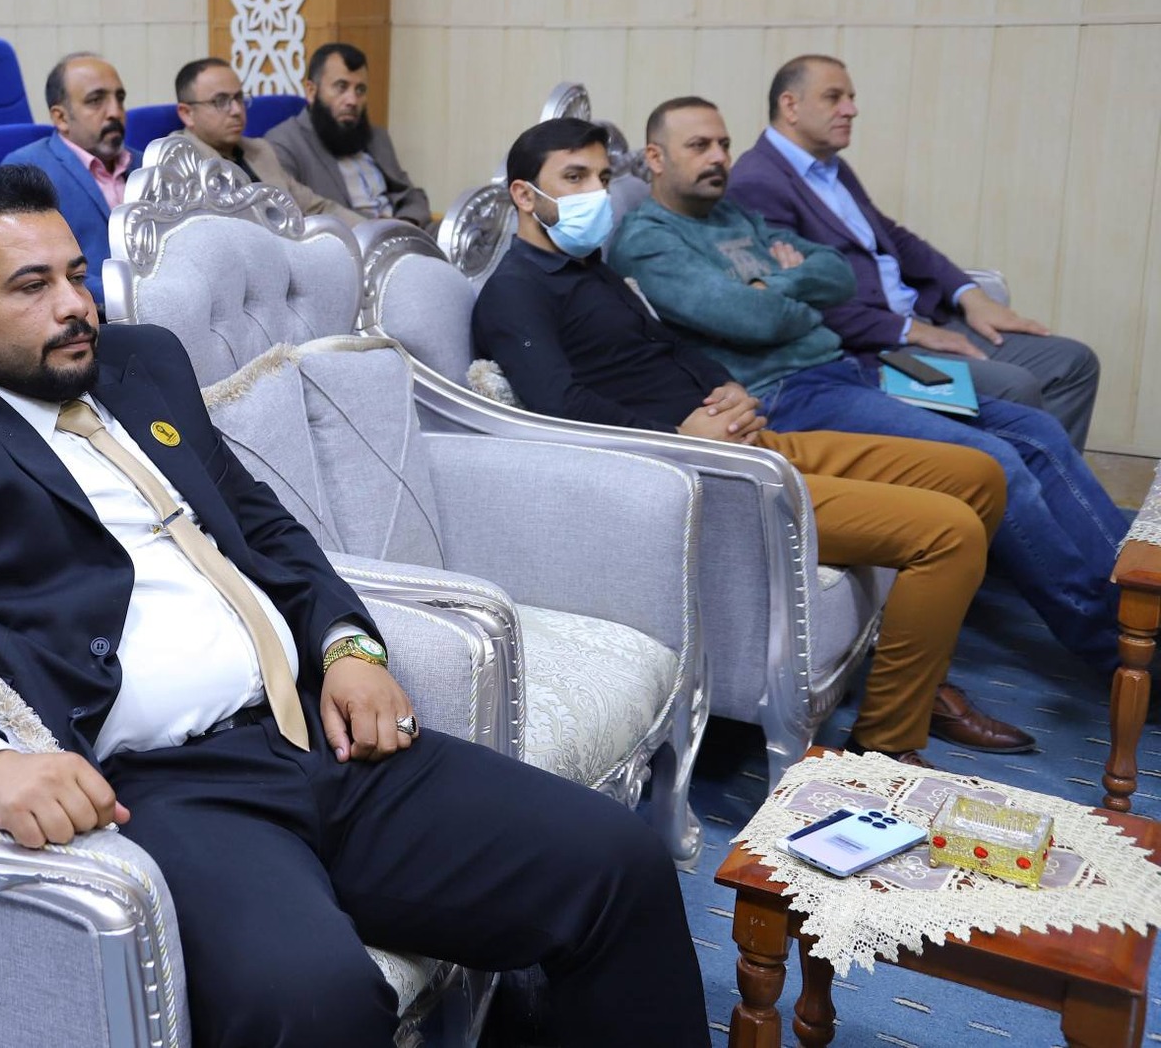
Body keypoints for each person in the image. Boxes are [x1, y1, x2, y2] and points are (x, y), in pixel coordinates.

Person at [0, 164, 709, 1047]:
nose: (74, 306)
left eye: (77, 276)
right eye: (31, 287)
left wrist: (348, 647)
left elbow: (263, 527)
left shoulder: (141, 365)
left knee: (614, 862)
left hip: (315, 736)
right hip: (167, 793)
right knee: (312, 999)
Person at [477, 114, 1029, 762]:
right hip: (704, 473)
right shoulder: (514, 291)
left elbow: (669, 347)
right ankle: (885, 745)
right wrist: (679, 433)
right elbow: (557, 408)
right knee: (950, 532)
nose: (595, 193)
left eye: (601, 176)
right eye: (574, 178)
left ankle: (919, 679)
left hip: (747, 440)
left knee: (978, 475)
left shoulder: (587, 268)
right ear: (525, 195)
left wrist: (729, 386)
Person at [521, 108, 1125, 677]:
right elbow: (752, 320)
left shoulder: (734, 215)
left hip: (848, 366)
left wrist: (775, 285)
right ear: (655, 158)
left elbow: (837, 275)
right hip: (792, 391)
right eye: (699, 145)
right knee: (997, 461)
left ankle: (1135, 595)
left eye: (724, 143)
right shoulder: (648, 240)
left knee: (1035, 428)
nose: (719, 157)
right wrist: (781, 289)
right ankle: (1115, 645)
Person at [728, 55, 1102, 447]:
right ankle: (1010, 482)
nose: (851, 110)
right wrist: (911, 331)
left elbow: (895, 239)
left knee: (1072, 363)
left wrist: (971, 295)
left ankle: (1048, 477)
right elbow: (798, 298)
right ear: (790, 105)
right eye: (834, 97)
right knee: (1014, 385)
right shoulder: (758, 182)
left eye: (851, 98)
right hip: (869, 350)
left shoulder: (830, 167)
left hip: (920, 319)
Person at [1, 52, 131, 304]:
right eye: (96, 101)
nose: (115, 112)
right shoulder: (28, 171)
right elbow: (36, 268)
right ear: (61, 117)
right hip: (87, 313)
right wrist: (131, 294)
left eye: (120, 98)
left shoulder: (148, 164)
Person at [165, 57, 358, 224]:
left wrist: (370, 232)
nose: (237, 110)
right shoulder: (179, 162)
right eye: (221, 101)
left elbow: (317, 208)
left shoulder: (261, 150)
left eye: (239, 98)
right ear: (187, 113)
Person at [263, 42, 430, 224]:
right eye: (341, 87)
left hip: (402, 230)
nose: (352, 100)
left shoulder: (377, 137)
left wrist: (405, 223)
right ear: (311, 91)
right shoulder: (283, 143)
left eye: (360, 90)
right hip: (347, 236)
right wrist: (377, 230)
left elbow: (410, 195)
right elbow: (292, 216)